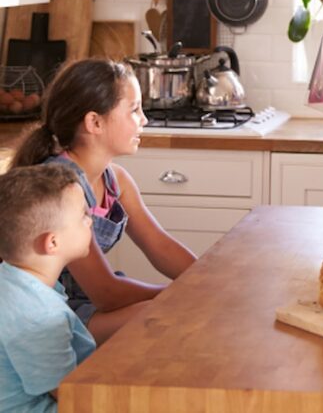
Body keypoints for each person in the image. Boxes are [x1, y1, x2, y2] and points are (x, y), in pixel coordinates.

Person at [10, 59, 197, 345]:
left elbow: (159, 245)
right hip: (52, 314)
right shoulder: (62, 189)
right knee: (164, 314)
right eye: (134, 110)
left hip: (86, 305)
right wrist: (181, 294)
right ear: (94, 122)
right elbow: (106, 293)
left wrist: (207, 279)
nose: (144, 120)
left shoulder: (116, 180)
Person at [0, 163, 96, 412]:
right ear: (52, 242)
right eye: (83, 215)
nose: (90, 220)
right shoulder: (39, 316)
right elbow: (68, 396)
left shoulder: (13, 281)